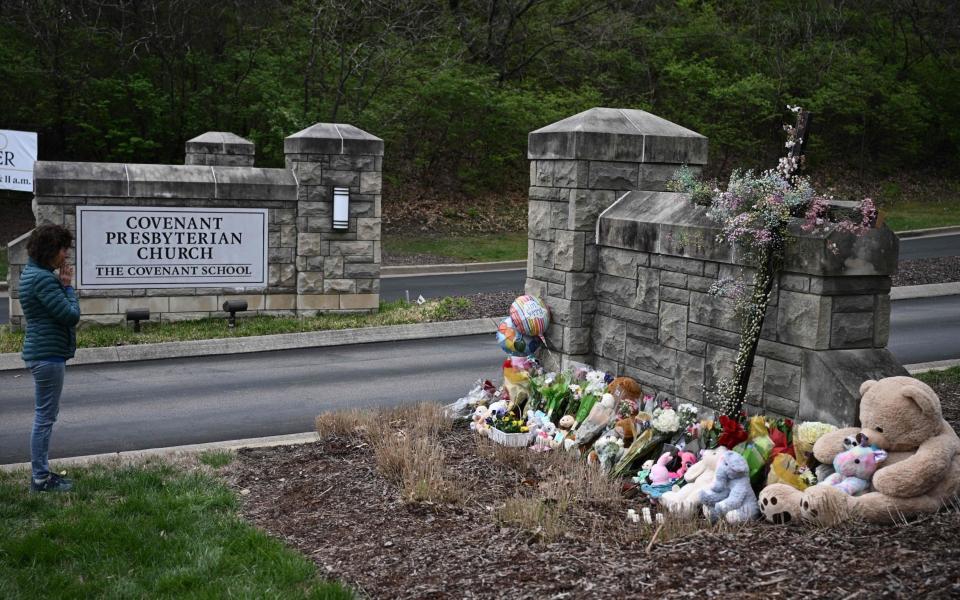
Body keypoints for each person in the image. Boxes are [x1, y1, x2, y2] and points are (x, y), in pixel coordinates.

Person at [19, 224, 80, 492]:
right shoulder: (43, 279)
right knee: (45, 418)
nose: (65, 256)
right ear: (50, 250)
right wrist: (67, 287)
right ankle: (40, 479)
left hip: (45, 353)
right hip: (48, 355)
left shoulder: (34, 274)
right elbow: (70, 315)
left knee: (45, 415)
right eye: (62, 249)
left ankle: (41, 475)